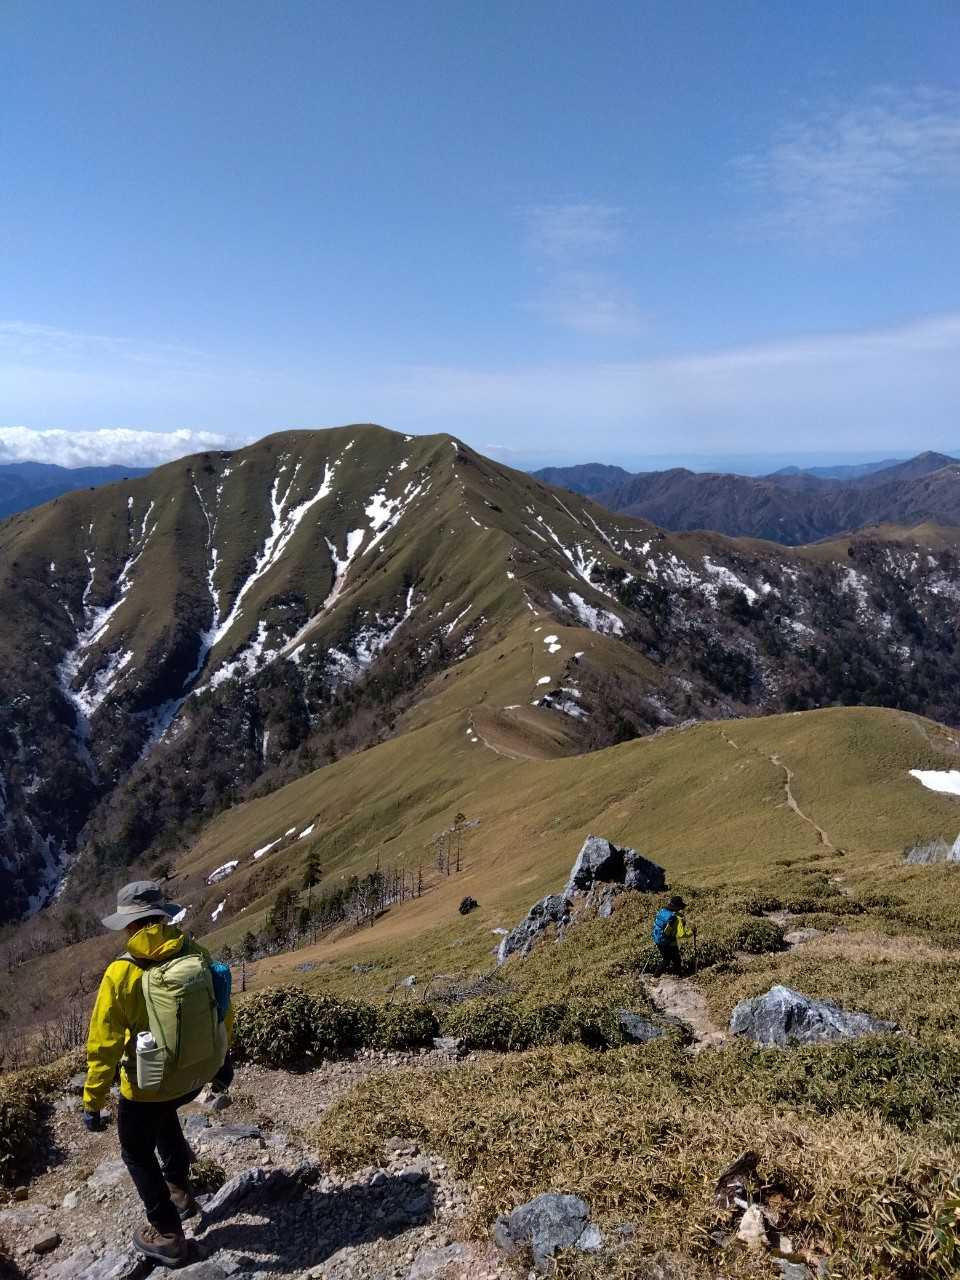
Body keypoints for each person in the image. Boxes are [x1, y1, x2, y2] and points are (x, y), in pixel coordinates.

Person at [83, 881, 233, 1268]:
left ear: (130, 925)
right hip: (195, 1075)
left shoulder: (121, 973)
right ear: (162, 917)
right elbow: (221, 1009)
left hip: (150, 1084)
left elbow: (104, 1044)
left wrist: (93, 1101)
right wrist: (223, 1062)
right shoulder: (194, 952)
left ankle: (167, 1234)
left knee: (135, 1151)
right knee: (164, 1114)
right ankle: (180, 1192)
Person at [651, 895, 695, 976]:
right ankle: (656, 976)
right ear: (678, 907)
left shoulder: (663, 911)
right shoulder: (677, 918)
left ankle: (678, 974)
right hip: (668, 941)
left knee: (675, 958)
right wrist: (691, 932)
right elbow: (681, 935)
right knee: (667, 959)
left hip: (659, 938)